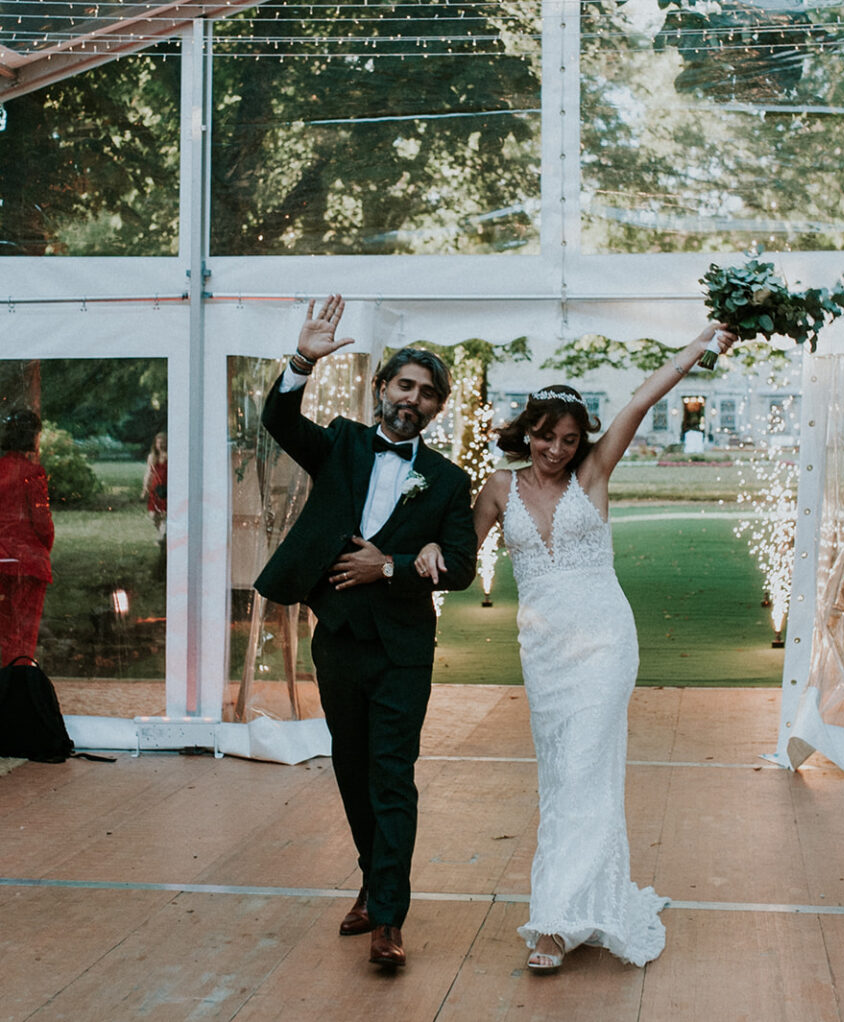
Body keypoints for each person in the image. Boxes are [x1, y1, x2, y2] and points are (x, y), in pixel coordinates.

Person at [416, 321, 738, 975]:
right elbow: (458, 559)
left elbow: (641, 400)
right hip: (545, 652)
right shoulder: (500, 490)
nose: (555, 450)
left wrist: (702, 346)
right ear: (526, 430)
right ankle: (580, 902)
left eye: (567, 439)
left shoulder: (593, 472)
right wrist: (421, 552)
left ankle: (554, 925)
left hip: (605, 643)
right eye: (544, 436)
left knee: (588, 771)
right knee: (563, 777)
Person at [254, 295, 477, 970]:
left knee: (392, 777)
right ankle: (370, 879)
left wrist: (396, 566)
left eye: (429, 393)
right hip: (339, 642)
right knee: (351, 772)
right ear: (382, 388)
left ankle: (388, 920)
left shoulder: (446, 481)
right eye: (405, 385)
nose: (414, 398)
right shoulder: (342, 444)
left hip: (404, 651)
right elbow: (276, 419)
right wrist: (302, 360)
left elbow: (461, 567)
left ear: (437, 409)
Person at [0, 410, 54, 664]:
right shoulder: (32, 472)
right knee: (22, 636)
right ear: (32, 436)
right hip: (27, 560)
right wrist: (43, 550)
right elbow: (42, 523)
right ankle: (17, 689)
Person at [142, 431, 168, 569]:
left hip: (166, 489)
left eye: (163, 442)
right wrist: (145, 488)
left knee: (164, 514)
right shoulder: (152, 457)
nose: (161, 445)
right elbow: (148, 472)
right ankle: (161, 533)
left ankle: (162, 537)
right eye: (158, 442)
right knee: (153, 515)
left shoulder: (170, 456)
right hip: (155, 489)